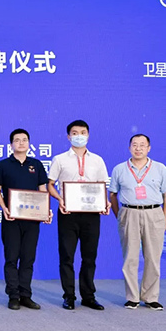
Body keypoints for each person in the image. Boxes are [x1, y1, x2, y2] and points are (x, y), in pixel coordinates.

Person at [47, 120, 110, 311]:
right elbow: (50, 184)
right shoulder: (60, 159)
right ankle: (69, 296)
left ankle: (88, 296)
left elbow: (102, 186)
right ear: (68, 136)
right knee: (67, 256)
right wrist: (60, 199)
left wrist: (105, 202)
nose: (79, 136)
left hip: (91, 214)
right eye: (75, 133)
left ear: (88, 135)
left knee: (89, 257)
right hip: (68, 213)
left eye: (83, 132)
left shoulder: (97, 160)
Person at [109, 134, 166, 311]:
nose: (138, 148)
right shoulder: (119, 169)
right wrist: (120, 216)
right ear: (129, 147)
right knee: (130, 257)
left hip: (154, 213)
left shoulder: (160, 168)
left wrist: (164, 219)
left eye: (142, 145)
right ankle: (132, 297)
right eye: (135, 145)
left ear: (149, 148)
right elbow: (112, 195)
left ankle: (151, 297)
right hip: (129, 212)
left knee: (153, 257)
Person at [0, 128, 51, 310]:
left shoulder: (36, 165)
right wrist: (4, 208)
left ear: (29, 143)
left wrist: (46, 211)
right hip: (11, 219)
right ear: (11, 144)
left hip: (32, 219)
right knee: (11, 257)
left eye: (24, 140)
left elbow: (43, 190)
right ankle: (13, 296)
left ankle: (25, 295)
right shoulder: (3, 165)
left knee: (28, 258)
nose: (21, 143)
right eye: (17, 140)